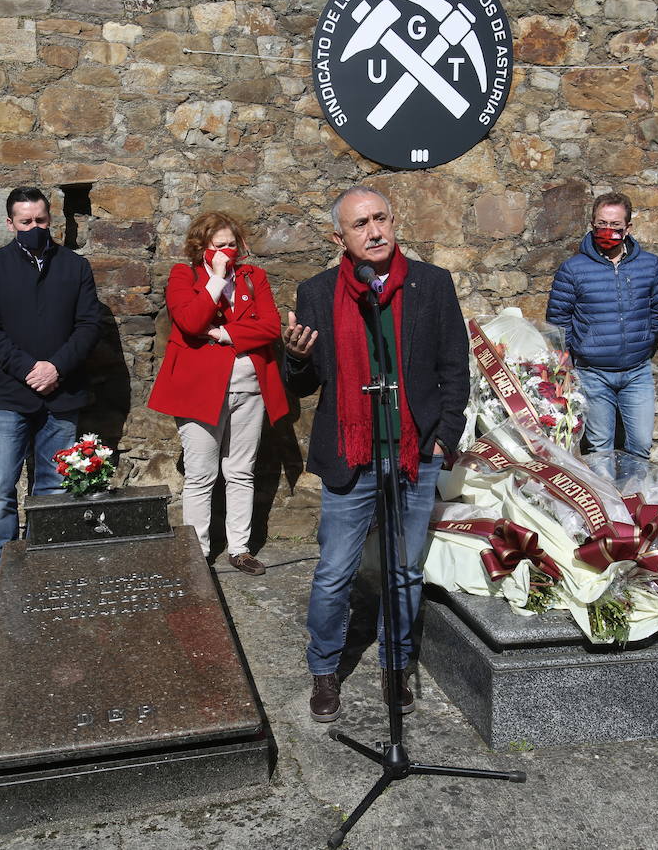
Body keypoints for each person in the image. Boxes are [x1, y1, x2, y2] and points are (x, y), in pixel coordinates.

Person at [282, 185, 469, 722]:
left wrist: (442, 436)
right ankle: (324, 670)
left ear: (395, 221)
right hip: (350, 453)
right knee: (335, 569)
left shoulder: (433, 285)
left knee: (405, 570)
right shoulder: (317, 292)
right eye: (360, 224)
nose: (375, 231)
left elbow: (455, 367)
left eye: (381, 219)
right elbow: (304, 384)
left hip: (414, 452)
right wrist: (293, 359)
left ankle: (395, 665)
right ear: (338, 237)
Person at [0, 187, 101, 589]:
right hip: (10, 394)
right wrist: (29, 368)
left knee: (53, 486)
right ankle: (4, 568)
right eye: (25, 222)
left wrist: (56, 366)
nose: (34, 228)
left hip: (62, 394)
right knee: (1, 486)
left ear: (51, 220)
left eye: (40, 221)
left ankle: (44, 562)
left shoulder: (75, 268)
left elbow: (88, 326)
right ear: (10, 224)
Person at [147, 212, 289, 575]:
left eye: (232, 244)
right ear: (201, 247)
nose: (228, 251)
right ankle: (198, 550)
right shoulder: (185, 275)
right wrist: (217, 280)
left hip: (250, 388)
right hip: (199, 391)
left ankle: (239, 548)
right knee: (201, 475)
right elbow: (191, 322)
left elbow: (271, 326)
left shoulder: (253, 276)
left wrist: (226, 334)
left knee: (241, 471)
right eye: (219, 245)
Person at [546, 191, 658, 460]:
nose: (608, 230)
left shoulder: (648, 265)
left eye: (615, 225)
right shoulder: (573, 269)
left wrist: (646, 338)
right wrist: (568, 362)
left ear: (628, 228)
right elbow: (558, 321)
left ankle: (634, 500)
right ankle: (607, 502)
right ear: (592, 224)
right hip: (593, 374)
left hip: (637, 372)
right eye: (602, 223)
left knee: (640, 444)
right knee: (599, 448)